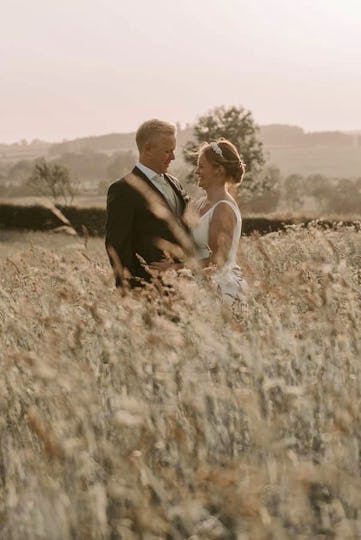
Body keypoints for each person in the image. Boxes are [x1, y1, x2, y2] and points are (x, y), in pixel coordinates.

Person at [151, 137, 247, 307]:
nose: (196, 171)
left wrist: (174, 269)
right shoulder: (199, 204)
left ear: (218, 170)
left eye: (201, 166)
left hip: (220, 290)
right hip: (198, 285)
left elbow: (217, 262)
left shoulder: (223, 208)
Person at [105, 119, 191, 287]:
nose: (173, 157)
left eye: (173, 151)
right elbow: (117, 246)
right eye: (168, 151)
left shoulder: (175, 182)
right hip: (148, 288)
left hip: (184, 288)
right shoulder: (123, 190)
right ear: (147, 149)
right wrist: (132, 290)